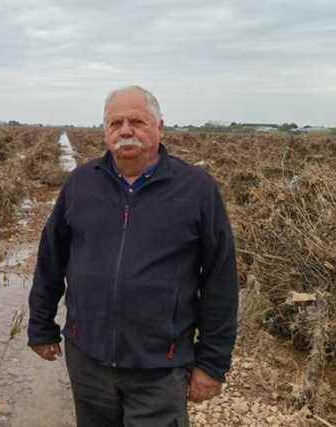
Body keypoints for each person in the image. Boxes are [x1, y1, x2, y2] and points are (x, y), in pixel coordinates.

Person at [28, 85, 238, 426]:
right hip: (88, 361)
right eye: (115, 123)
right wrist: (40, 326)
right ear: (106, 131)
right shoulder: (81, 183)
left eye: (137, 121)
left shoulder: (197, 190)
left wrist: (212, 363)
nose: (125, 130)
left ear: (160, 127)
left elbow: (220, 280)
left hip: (160, 367)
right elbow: (51, 258)